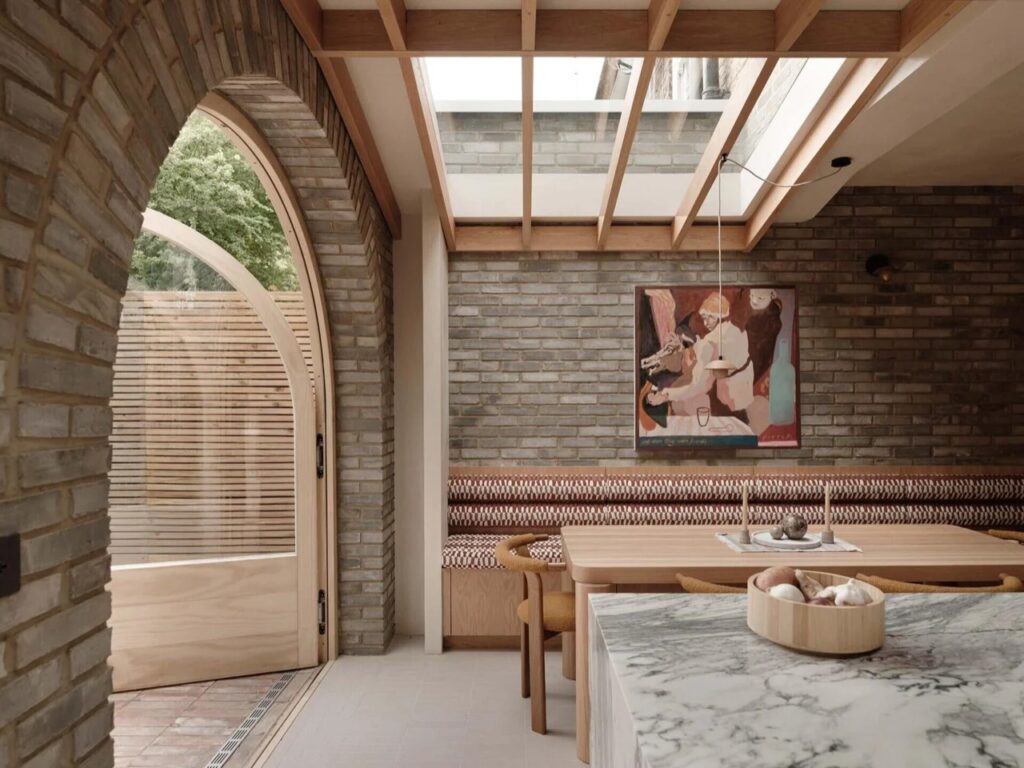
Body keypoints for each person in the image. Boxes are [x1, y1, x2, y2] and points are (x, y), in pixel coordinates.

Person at [646, 292, 754, 418]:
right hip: (745, 387)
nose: (706, 322)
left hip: (728, 396)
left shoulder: (709, 342)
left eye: (711, 317)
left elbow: (699, 385)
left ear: (720, 316)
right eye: (704, 317)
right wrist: (690, 344)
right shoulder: (737, 331)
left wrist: (666, 395)